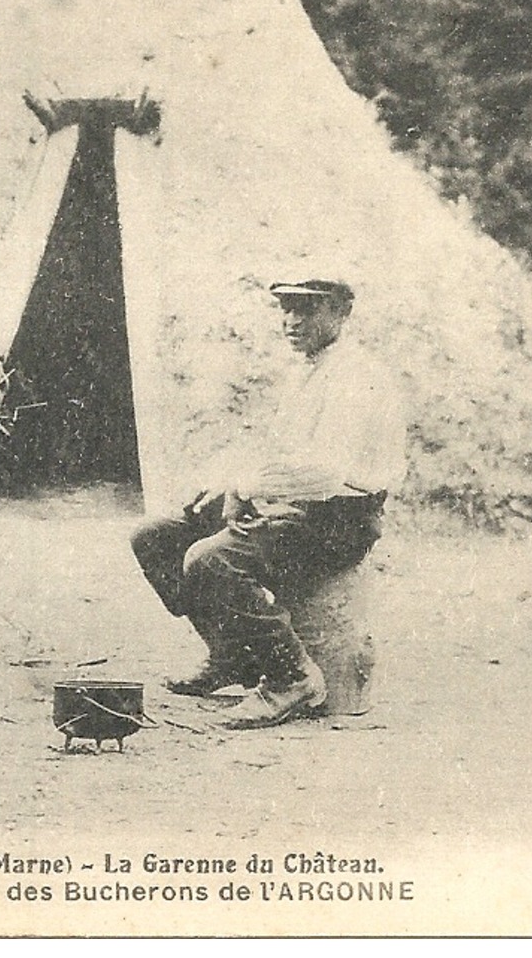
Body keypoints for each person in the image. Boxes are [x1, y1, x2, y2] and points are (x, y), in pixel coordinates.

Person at [130, 276, 406, 729]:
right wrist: (228, 483)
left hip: (339, 517)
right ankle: (232, 656)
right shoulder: (307, 369)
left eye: (308, 310)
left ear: (342, 313)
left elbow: (324, 473)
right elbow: (278, 451)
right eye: (287, 309)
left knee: (209, 559)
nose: (292, 322)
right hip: (295, 505)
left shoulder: (358, 378)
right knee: (156, 538)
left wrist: (248, 488)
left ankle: (290, 679)